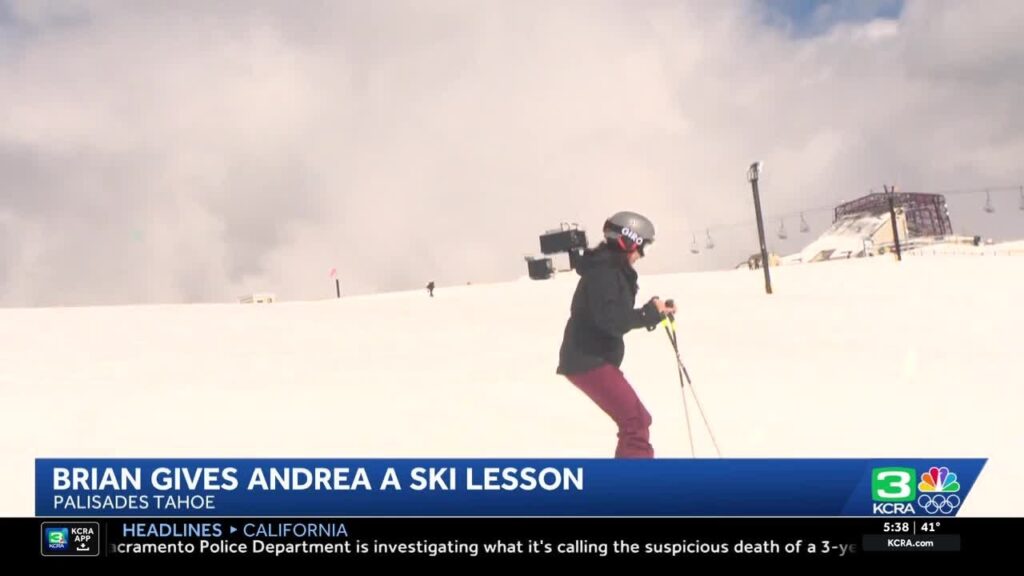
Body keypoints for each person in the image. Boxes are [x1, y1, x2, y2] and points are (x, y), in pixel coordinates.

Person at [556, 211, 675, 458]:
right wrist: (648, 314)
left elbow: (613, 315)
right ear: (629, 241)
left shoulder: (609, 269)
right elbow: (611, 320)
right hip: (587, 359)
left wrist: (652, 312)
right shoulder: (605, 271)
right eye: (642, 247)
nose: (641, 255)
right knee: (636, 422)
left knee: (637, 420)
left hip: (591, 359)